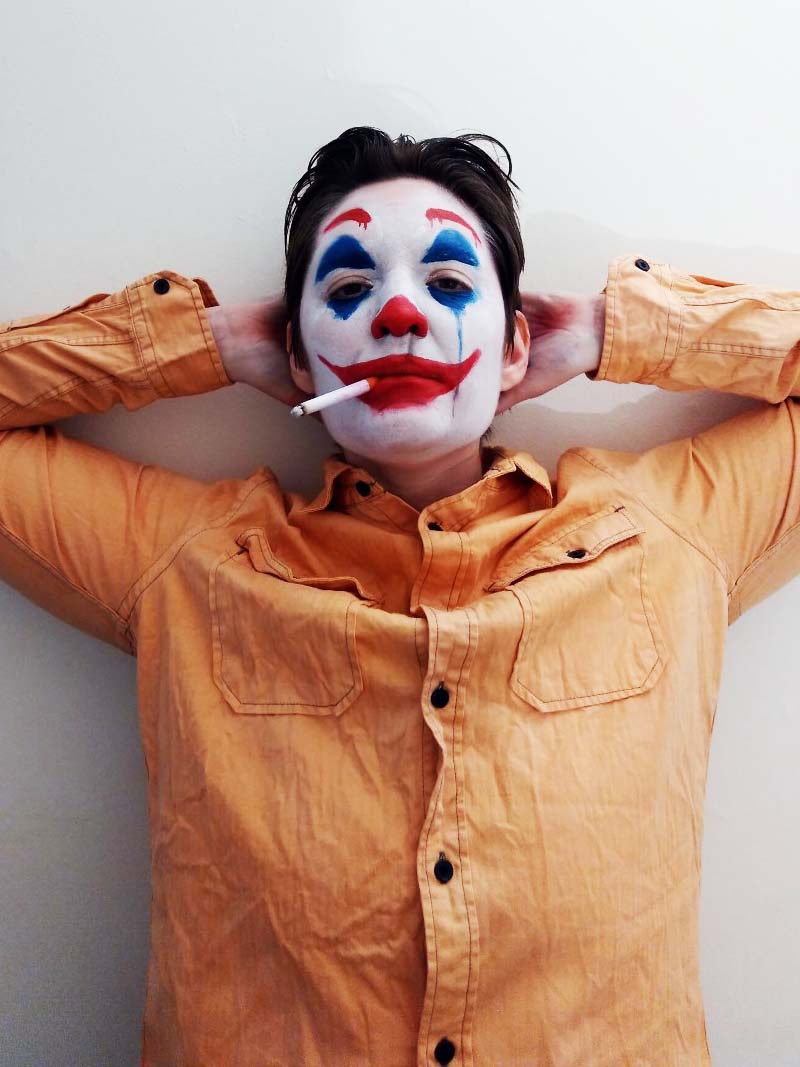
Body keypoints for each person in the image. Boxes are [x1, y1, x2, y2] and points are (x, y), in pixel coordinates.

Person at [1, 125, 798, 1067]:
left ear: (515, 347)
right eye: (347, 291)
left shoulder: (665, 535)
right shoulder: (190, 560)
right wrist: (209, 343)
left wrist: (607, 330)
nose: (400, 315)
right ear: (299, 360)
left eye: (450, 282)